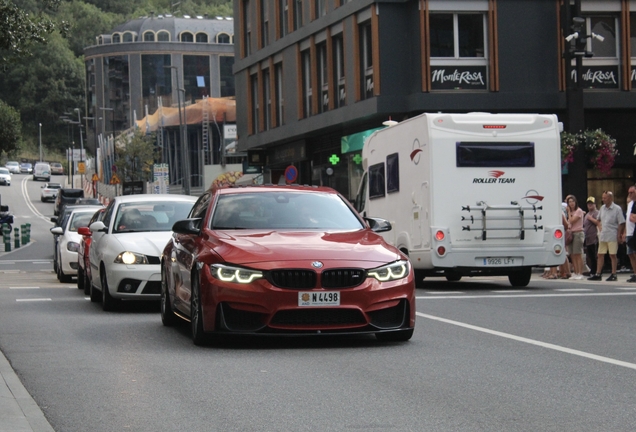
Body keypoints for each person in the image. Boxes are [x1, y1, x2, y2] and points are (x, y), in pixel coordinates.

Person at [588, 191, 625, 281]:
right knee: (600, 254)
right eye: (603, 197)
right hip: (603, 235)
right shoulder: (602, 208)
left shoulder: (617, 209)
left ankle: (614, 273)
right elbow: (599, 219)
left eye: (605, 198)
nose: (603, 200)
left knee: (612, 254)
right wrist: (600, 227)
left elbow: (621, 222)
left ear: (610, 198)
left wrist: (619, 234)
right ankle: (598, 273)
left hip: (612, 234)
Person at [566, 195, 585, 279]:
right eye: (569, 202)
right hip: (571, 233)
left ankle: (580, 272)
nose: (571, 203)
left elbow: (572, 220)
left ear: (575, 202)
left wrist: (568, 213)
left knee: (578, 254)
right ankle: (576, 272)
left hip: (578, 233)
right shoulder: (571, 212)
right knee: (572, 254)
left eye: (572, 201)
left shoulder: (579, 211)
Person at [583, 196, 600, 276]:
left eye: (591, 204)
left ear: (595, 204)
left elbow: (598, 223)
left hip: (594, 237)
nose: (590, 205)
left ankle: (596, 271)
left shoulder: (597, 213)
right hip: (588, 238)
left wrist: (591, 219)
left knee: (595, 255)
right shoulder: (587, 214)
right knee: (590, 256)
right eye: (588, 204)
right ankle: (592, 270)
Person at [625, 186, 636, 282]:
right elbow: (629, 218)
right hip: (629, 231)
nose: (630, 194)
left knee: (635, 253)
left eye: (632, 192)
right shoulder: (630, 204)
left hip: (634, 232)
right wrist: (624, 232)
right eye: (629, 192)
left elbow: (632, 218)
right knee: (630, 254)